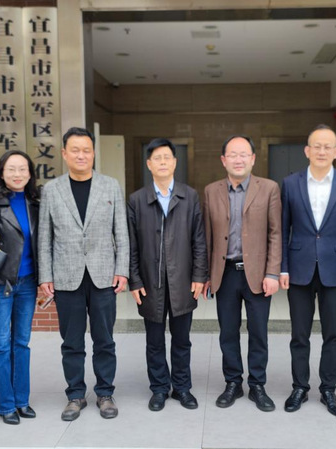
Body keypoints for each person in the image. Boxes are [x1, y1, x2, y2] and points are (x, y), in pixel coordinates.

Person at [39, 127, 129, 421]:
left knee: (105, 339)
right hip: (66, 277)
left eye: (86, 150)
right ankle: (75, 395)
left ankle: (105, 393)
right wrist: (45, 276)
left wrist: (122, 270)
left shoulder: (110, 186)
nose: (81, 155)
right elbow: (45, 238)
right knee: (72, 342)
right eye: (75, 150)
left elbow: (121, 233)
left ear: (94, 153)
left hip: (103, 275)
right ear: (64, 154)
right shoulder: (52, 190)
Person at [280, 125, 336, 416]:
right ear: (307, 150)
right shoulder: (290, 183)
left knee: (333, 334)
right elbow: (282, 229)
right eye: (317, 146)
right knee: (299, 334)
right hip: (299, 268)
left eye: (328, 146)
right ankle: (299, 387)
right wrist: (283, 268)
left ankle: (328, 389)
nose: (322, 151)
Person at [127, 138, 207, 412]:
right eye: (157, 158)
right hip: (150, 283)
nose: (162, 162)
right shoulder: (137, 200)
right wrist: (135, 279)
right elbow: (132, 244)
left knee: (182, 340)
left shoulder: (189, 196)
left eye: (167, 157)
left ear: (175, 162)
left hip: (183, 280)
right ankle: (159, 388)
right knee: (154, 341)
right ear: (149, 164)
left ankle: (182, 387)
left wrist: (199, 275)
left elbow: (199, 239)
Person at [204, 135, 282, 412]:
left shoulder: (269, 188)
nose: (238, 159)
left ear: (253, 159)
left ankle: (257, 384)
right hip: (224, 273)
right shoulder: (211, 191)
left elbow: (275, 233)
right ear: (223, 160)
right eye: (232, 155)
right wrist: (206, 275)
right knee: (228, 332)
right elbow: (206, 237)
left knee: (258, 332)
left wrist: (273, 272)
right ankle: (233, 382)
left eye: (243, 154)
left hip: (258, 274)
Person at [0, 150, 40, 425]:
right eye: (11, 169)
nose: (17, 174)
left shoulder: (35, 201)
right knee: (1, 345)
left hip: (28, 283)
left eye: (22, 169)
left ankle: (22, 400)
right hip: (0, 284)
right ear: (1, 173)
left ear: (30, 173)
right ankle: (6, 404)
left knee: (21, 343)